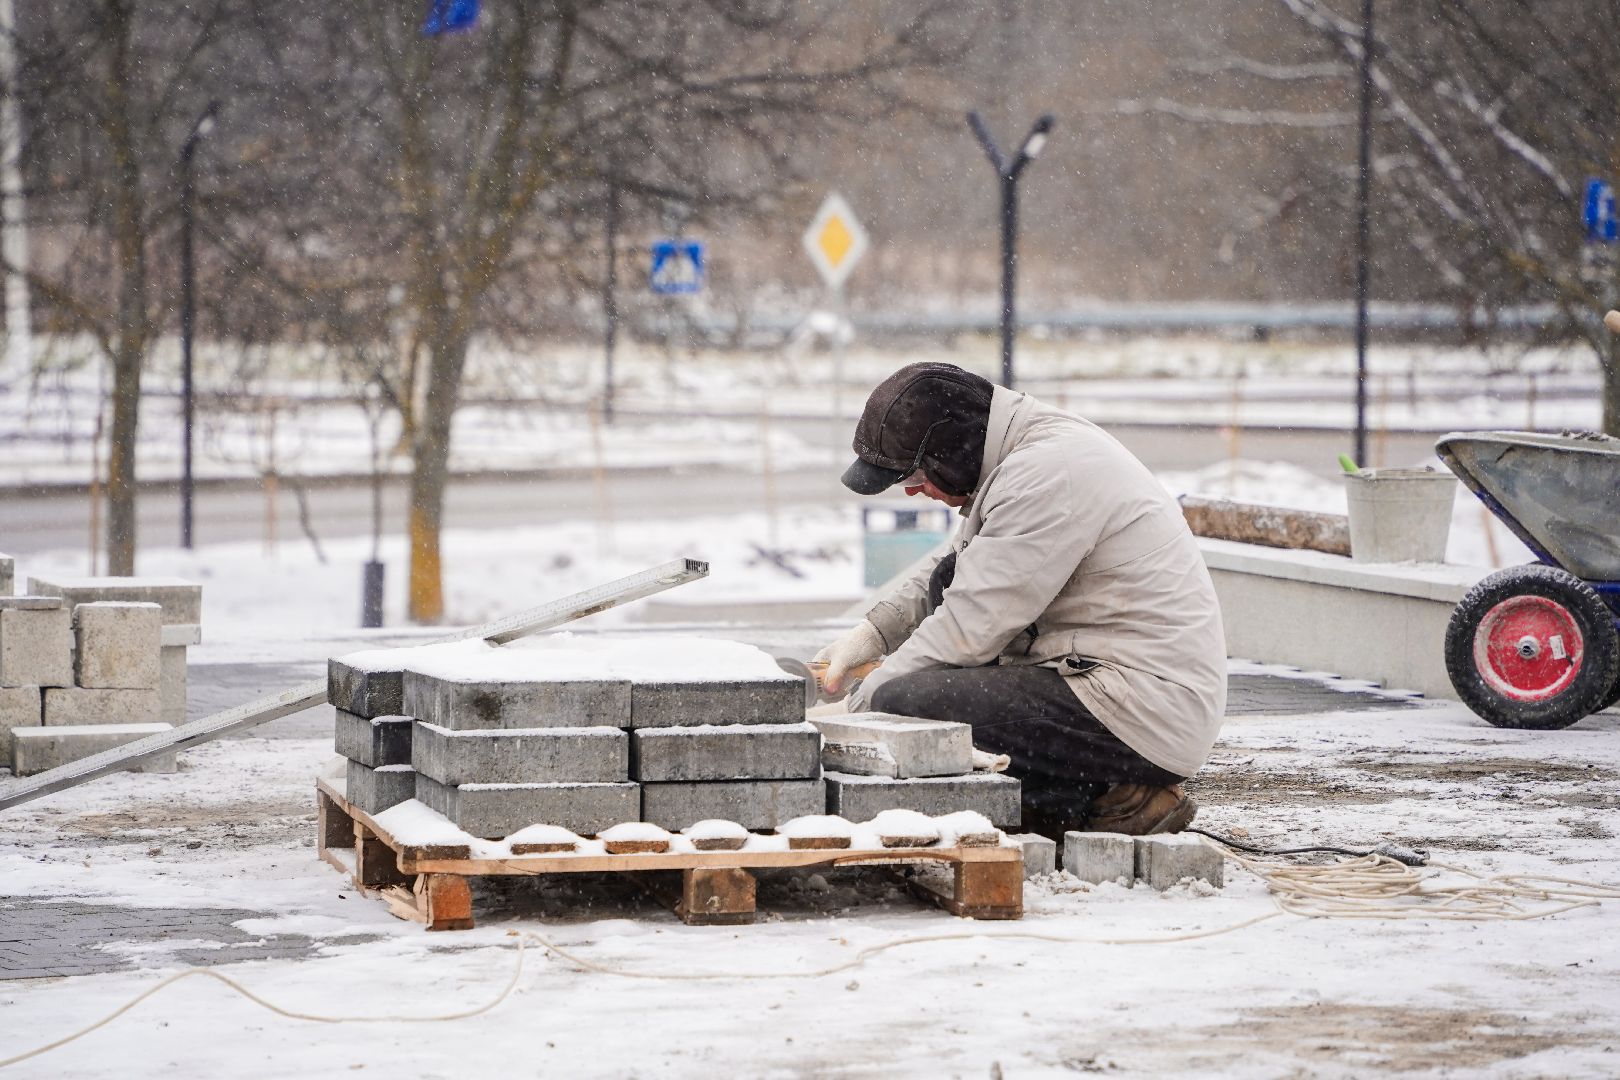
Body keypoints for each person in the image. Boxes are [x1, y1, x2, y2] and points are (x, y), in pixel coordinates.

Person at [816, 362, 1226, 836]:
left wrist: (859, 713)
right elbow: (961, 569)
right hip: (1102, 682)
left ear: (954, 448)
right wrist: (873, 633)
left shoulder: (1048, 474)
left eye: (917, 474)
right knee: (943, 591)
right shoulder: (1022, 455)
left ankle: (1115, 796)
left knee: (908, 703)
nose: (913, 490)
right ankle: (1069, 799)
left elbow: (969, 628)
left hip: (1142, 711)